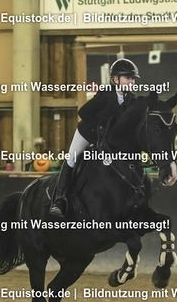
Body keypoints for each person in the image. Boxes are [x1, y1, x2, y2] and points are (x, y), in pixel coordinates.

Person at [49, 58, 139, 217]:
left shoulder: (131, 100)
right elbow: (83, 112)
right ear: (116, 79)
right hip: (88, 133)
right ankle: (59, 199)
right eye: (128, 77)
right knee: (72, 158)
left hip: (107, 140)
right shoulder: (105, 94)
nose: (131, 81)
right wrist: (103, 122)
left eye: (133, 78)